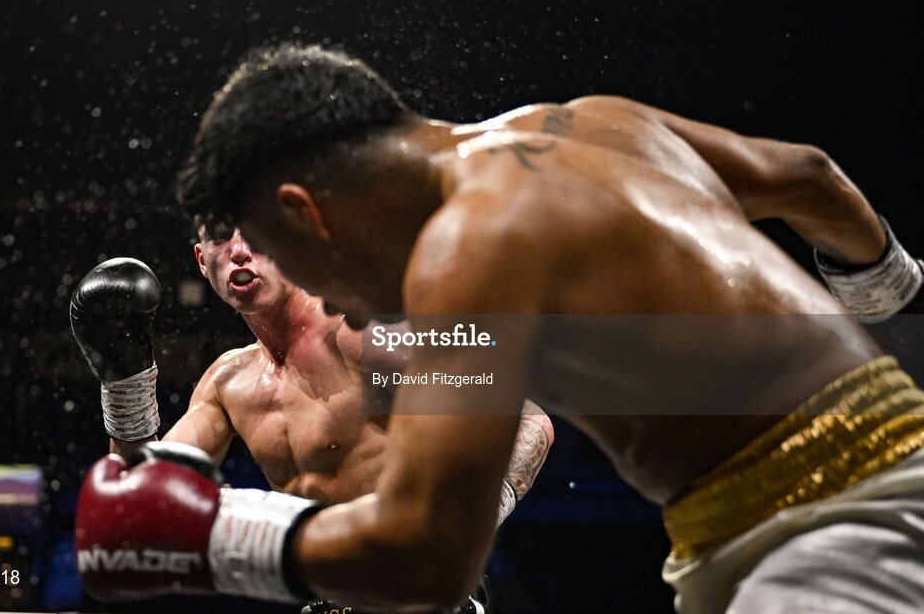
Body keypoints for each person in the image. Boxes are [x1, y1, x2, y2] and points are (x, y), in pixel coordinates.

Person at [77, 44, 924, 613]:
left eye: (298, 256)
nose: (347, 304)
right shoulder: (595, 120)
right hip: (782, 510)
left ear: (306, 211)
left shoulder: (460, 258)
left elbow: (434, 560)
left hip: (839, 516)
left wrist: (210, 535)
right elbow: (809, 180)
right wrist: (890, 299)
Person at [69, 224, 554, 613]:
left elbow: (529, 420)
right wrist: (125, 382)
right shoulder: (226, 383)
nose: (239, 251)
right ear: (202, 261)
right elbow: (139, 506)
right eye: (220, 235)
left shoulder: (367, 337)